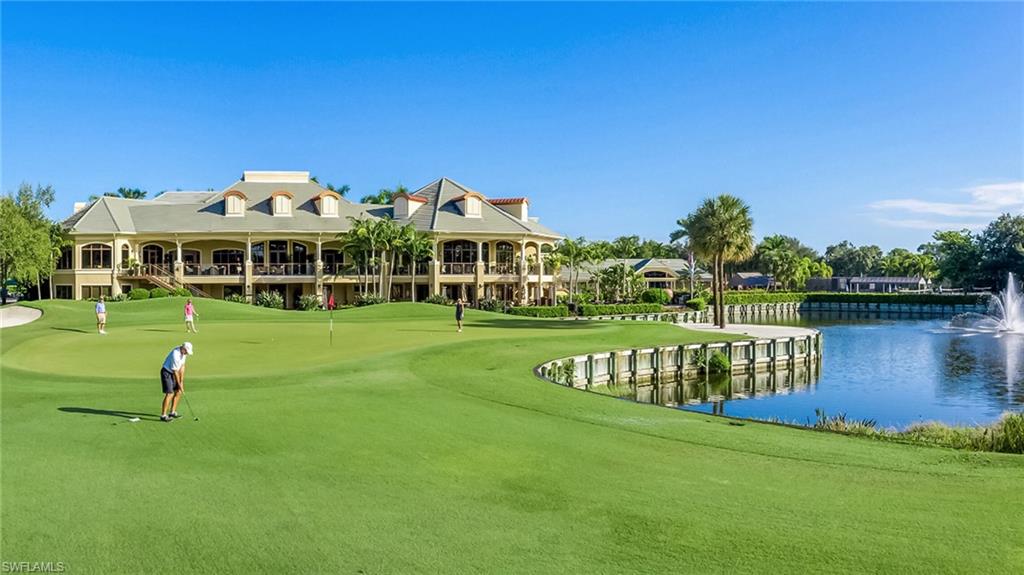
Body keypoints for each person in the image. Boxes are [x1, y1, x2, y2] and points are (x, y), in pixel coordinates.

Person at [160, 342, 193, 422]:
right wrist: (179, 384)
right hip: (167, 372)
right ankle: (163, 415)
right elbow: (175, 371)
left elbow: (182, 367)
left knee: (178, 391)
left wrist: (181, 382)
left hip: (175, 372)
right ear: (183, 348)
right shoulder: (175, 354)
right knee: (170, 393)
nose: (187, 353)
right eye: (186, 351)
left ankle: (172, 412)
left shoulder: (183, 353)